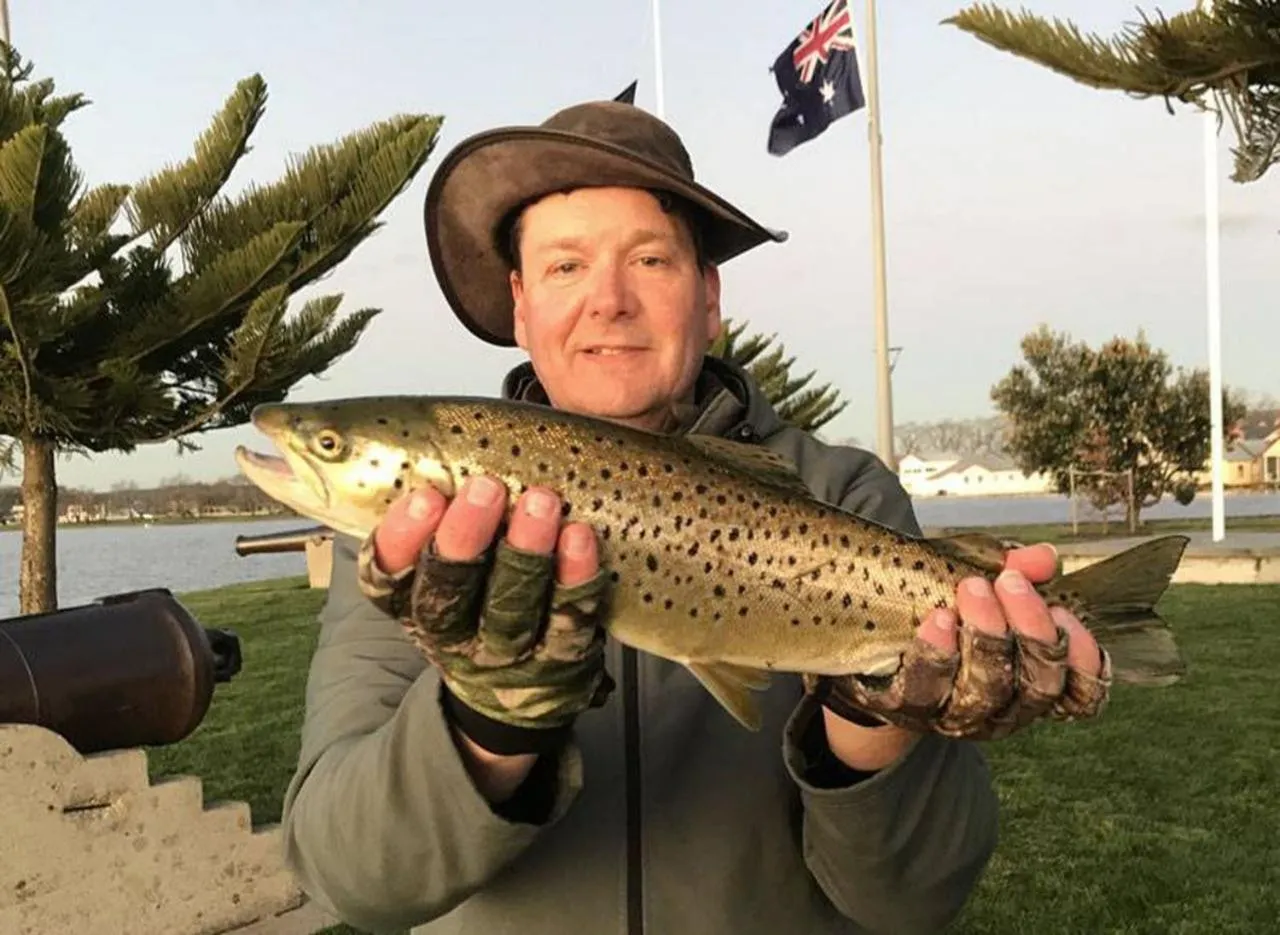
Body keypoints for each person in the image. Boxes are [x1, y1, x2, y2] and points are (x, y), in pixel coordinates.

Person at [279, 100, 1111, 935]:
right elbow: (351, 880)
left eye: (649, 259)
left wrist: (872, 722)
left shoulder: (843, 493)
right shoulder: (411, 557)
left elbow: (914, 901)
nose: (609, 301)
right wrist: (486, 721)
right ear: (521, 305)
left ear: (708, 299)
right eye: (567, 267)